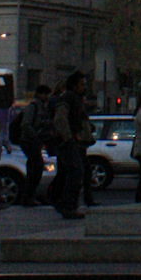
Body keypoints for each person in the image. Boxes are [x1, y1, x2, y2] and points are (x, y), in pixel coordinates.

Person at [50, 71, 93, 218]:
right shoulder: (68, 98)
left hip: (73, 141)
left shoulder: (76, 99)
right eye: (82, 84)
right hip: (67, 142)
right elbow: (60, 119)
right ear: (74, 85)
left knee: (73, 172)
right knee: (76, 171)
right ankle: (67, 205)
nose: (84, 87)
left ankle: (63, 202)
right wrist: (68, 137)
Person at [18, 83, 53, 206]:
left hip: (35, 142)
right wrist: (36, 136)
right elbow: (26, 124)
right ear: (40, 94)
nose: (47, 97)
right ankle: (28, 197)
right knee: (35, 168)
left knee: (35, 168)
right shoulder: (33, 107)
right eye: (46, 94)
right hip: (29, 141)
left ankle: (29, 196)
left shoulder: (43, 107)